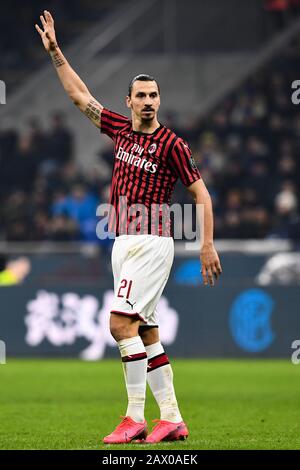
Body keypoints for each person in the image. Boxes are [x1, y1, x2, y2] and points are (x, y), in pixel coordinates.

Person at [35, 10, 222, 444]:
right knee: (147, 333)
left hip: (152, 240)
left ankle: (134, 416)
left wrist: (207, 244)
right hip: (123, 241)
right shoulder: (119, 129)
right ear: (129, 101)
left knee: (120, 327)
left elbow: (202, 195)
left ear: (159, 99)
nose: (149, 101)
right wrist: (56, 52)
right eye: (141, 95)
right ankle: (172, 417)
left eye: (154, 95)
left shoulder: (172, 143)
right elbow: (80, 97)